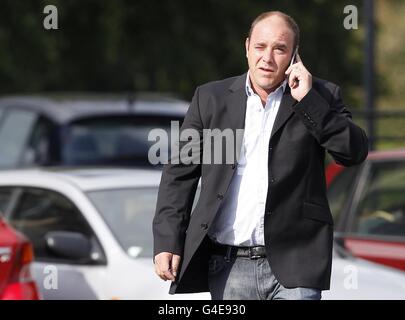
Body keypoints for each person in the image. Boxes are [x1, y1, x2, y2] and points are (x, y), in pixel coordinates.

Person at [152, 11, 368, 300]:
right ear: (247, 47)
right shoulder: (211, 99)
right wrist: (168, 240)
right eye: (260, 47)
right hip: (228, 266)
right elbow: (180, 174)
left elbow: (353, 153)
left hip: (297, 263)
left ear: (294, 56)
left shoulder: (321, 96)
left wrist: (309, 101)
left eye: (280, 49)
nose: (267, 58)